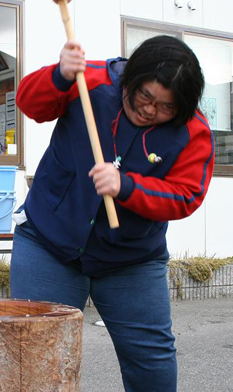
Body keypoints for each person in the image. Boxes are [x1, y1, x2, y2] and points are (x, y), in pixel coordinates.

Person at [11, 35, 214, 392]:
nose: (151, 110)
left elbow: (186, 195)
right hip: (49, 243)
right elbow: (30, 103)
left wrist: (128, 187)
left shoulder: (193, 131)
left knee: (151, 361)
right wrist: (58, 75)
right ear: (130, 79)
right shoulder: (90, 80)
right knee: (35, 355)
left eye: (166, 107)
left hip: (131, 259)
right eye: (145, 96)